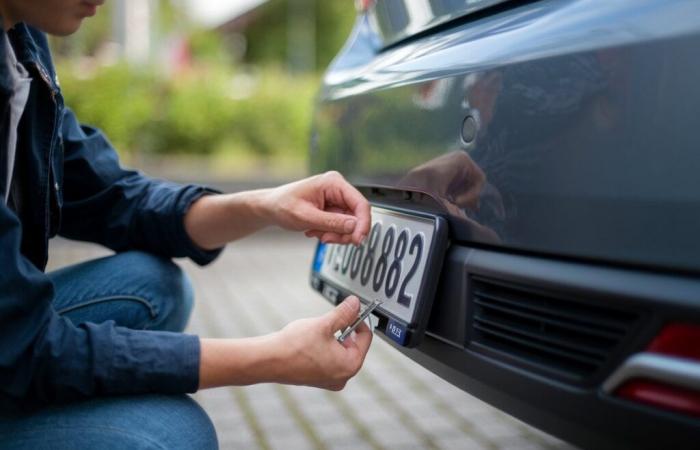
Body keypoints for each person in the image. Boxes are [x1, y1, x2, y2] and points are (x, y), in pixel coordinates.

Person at [0, 1, 373, 448]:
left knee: (154, 284)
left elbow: (115, 198)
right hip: (13, 342)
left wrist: (267, 205)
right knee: (175, 434)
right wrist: (274, 357)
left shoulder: (21, 43)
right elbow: (26, 346)